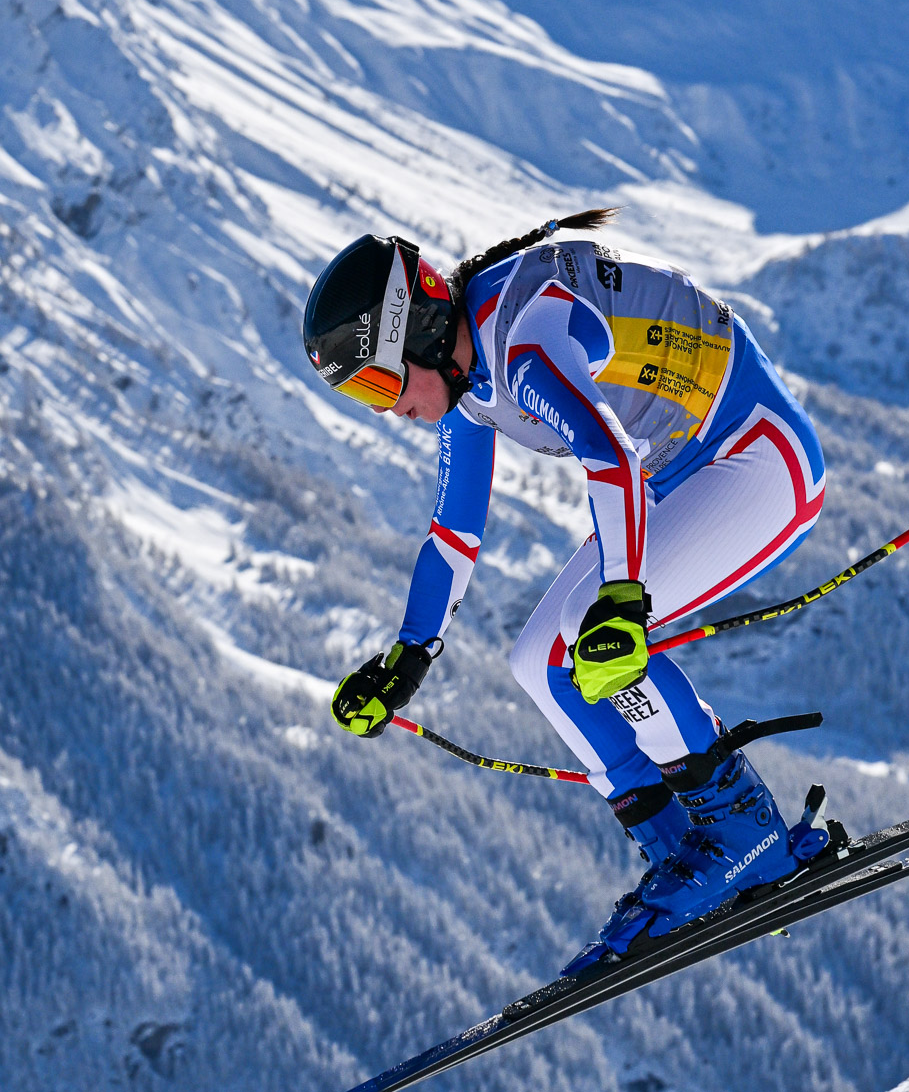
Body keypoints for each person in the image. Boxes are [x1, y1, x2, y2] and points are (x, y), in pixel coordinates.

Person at [302, 209, 828, 974]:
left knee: (590, 632)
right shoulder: (467, 377)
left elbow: (609, 456)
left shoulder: (523, 336)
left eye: (380, 381)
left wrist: (621, 598)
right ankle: (681, 844)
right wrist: (408, 657)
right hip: (678, 473)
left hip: (755, 455)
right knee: (536, 661)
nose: (386, 407)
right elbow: (454, 530)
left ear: (419, 331)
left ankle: (742, 834)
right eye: (361, 396)